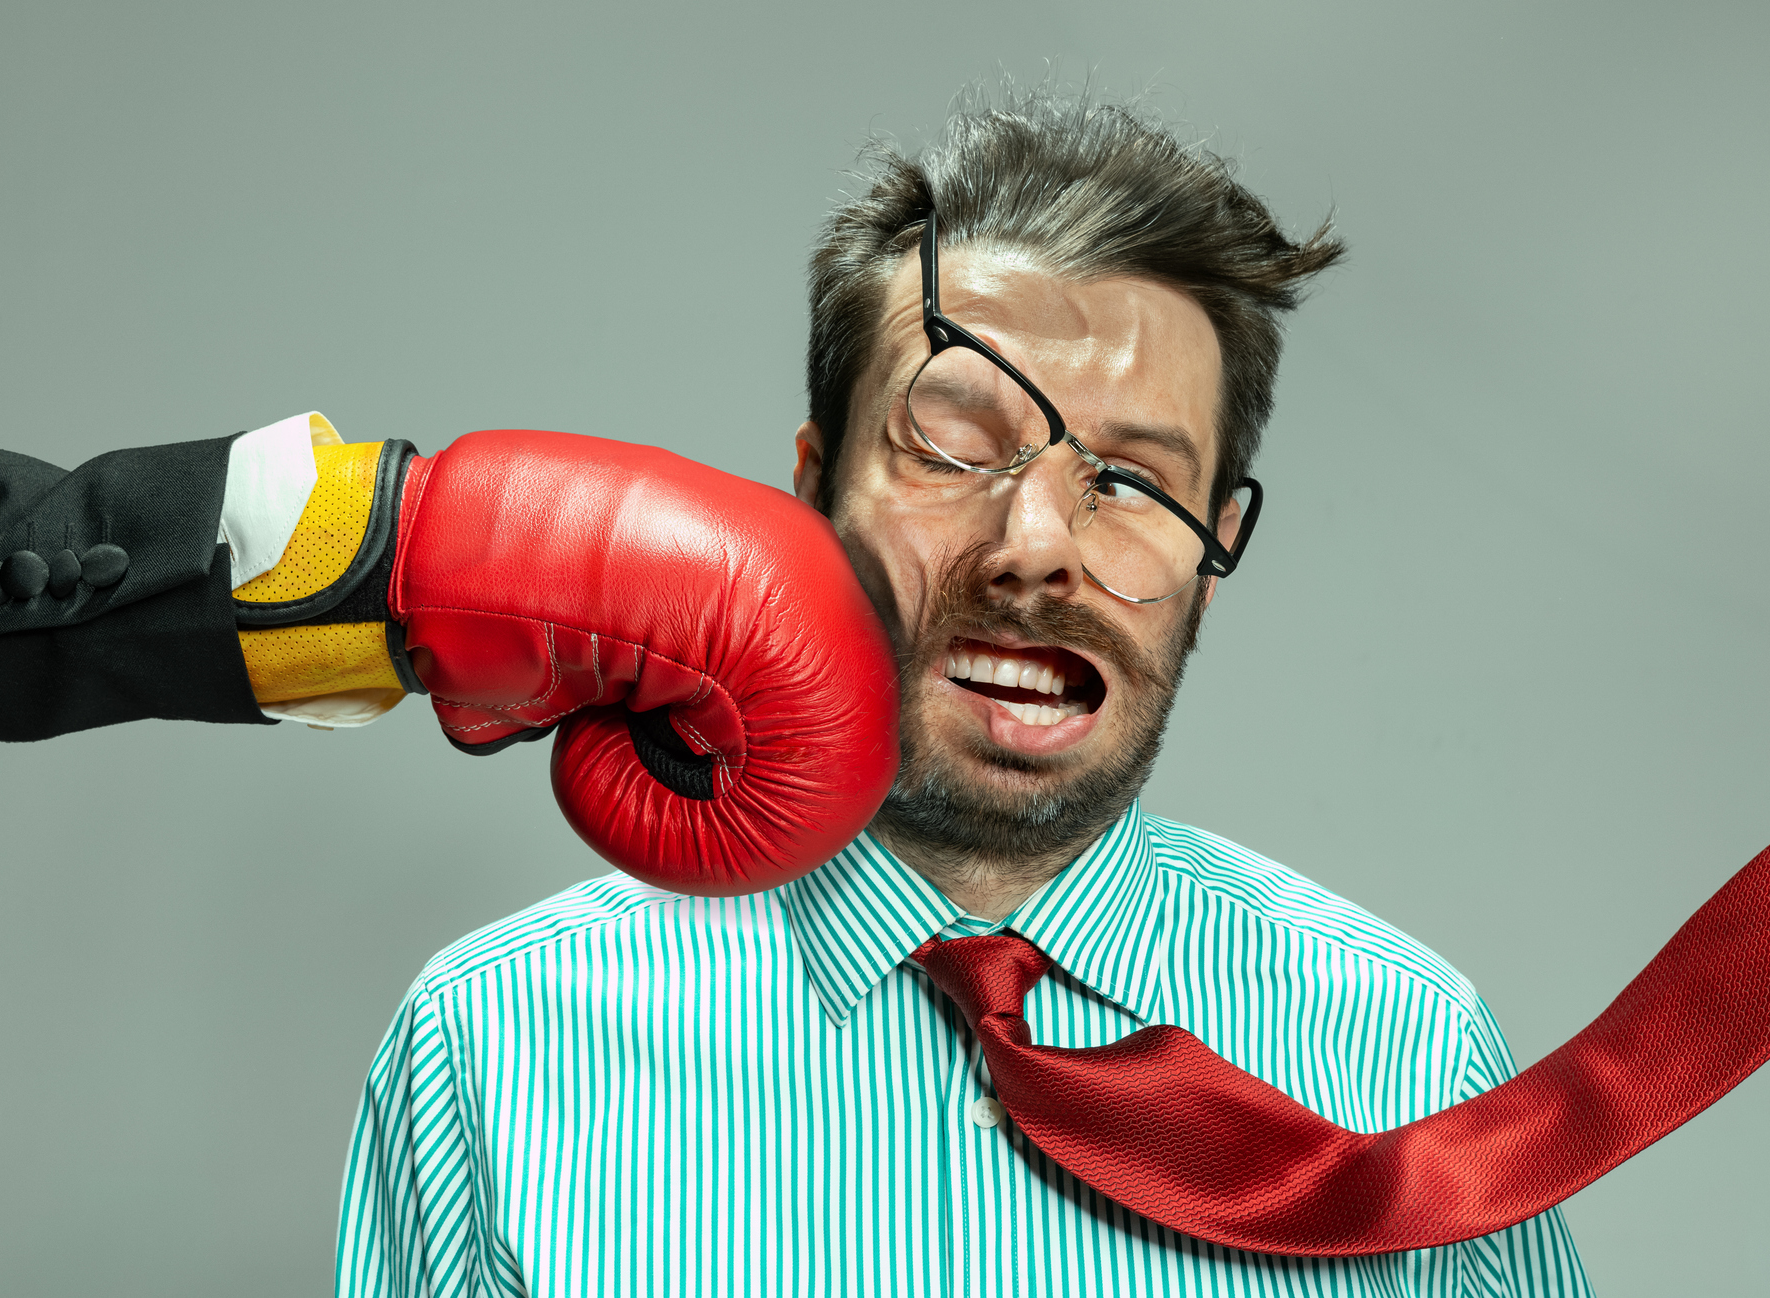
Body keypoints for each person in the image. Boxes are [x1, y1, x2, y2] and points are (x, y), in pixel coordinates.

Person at [332, 96, 1591, 1296]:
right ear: (809, 498)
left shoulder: (1412, 1057)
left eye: (1131, 480)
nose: (1033, 541)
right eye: (953, 444)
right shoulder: (491, 1046)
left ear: (1210, 558)